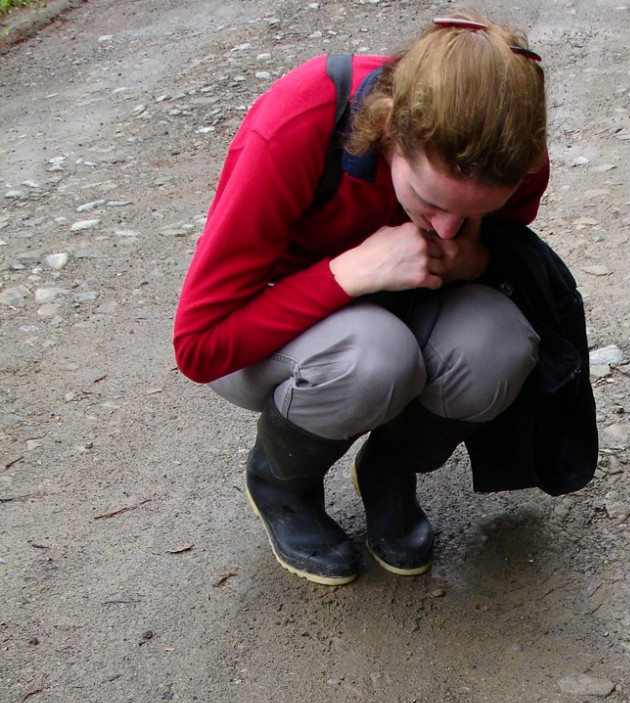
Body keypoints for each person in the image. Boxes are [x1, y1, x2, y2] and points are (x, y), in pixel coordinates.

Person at [174, 13, 549, 586]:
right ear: (391, 129)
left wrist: (479, 260)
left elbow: (501, 258)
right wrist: (346, 274)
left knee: (498, 347)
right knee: (375, 357)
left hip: (398, 311)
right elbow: (199, 347)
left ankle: (389, 468)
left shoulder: (514, 158)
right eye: (428, 199)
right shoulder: (299, 122)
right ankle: (282, 484)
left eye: (472, 214)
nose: (448, 229)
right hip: (270, 336)